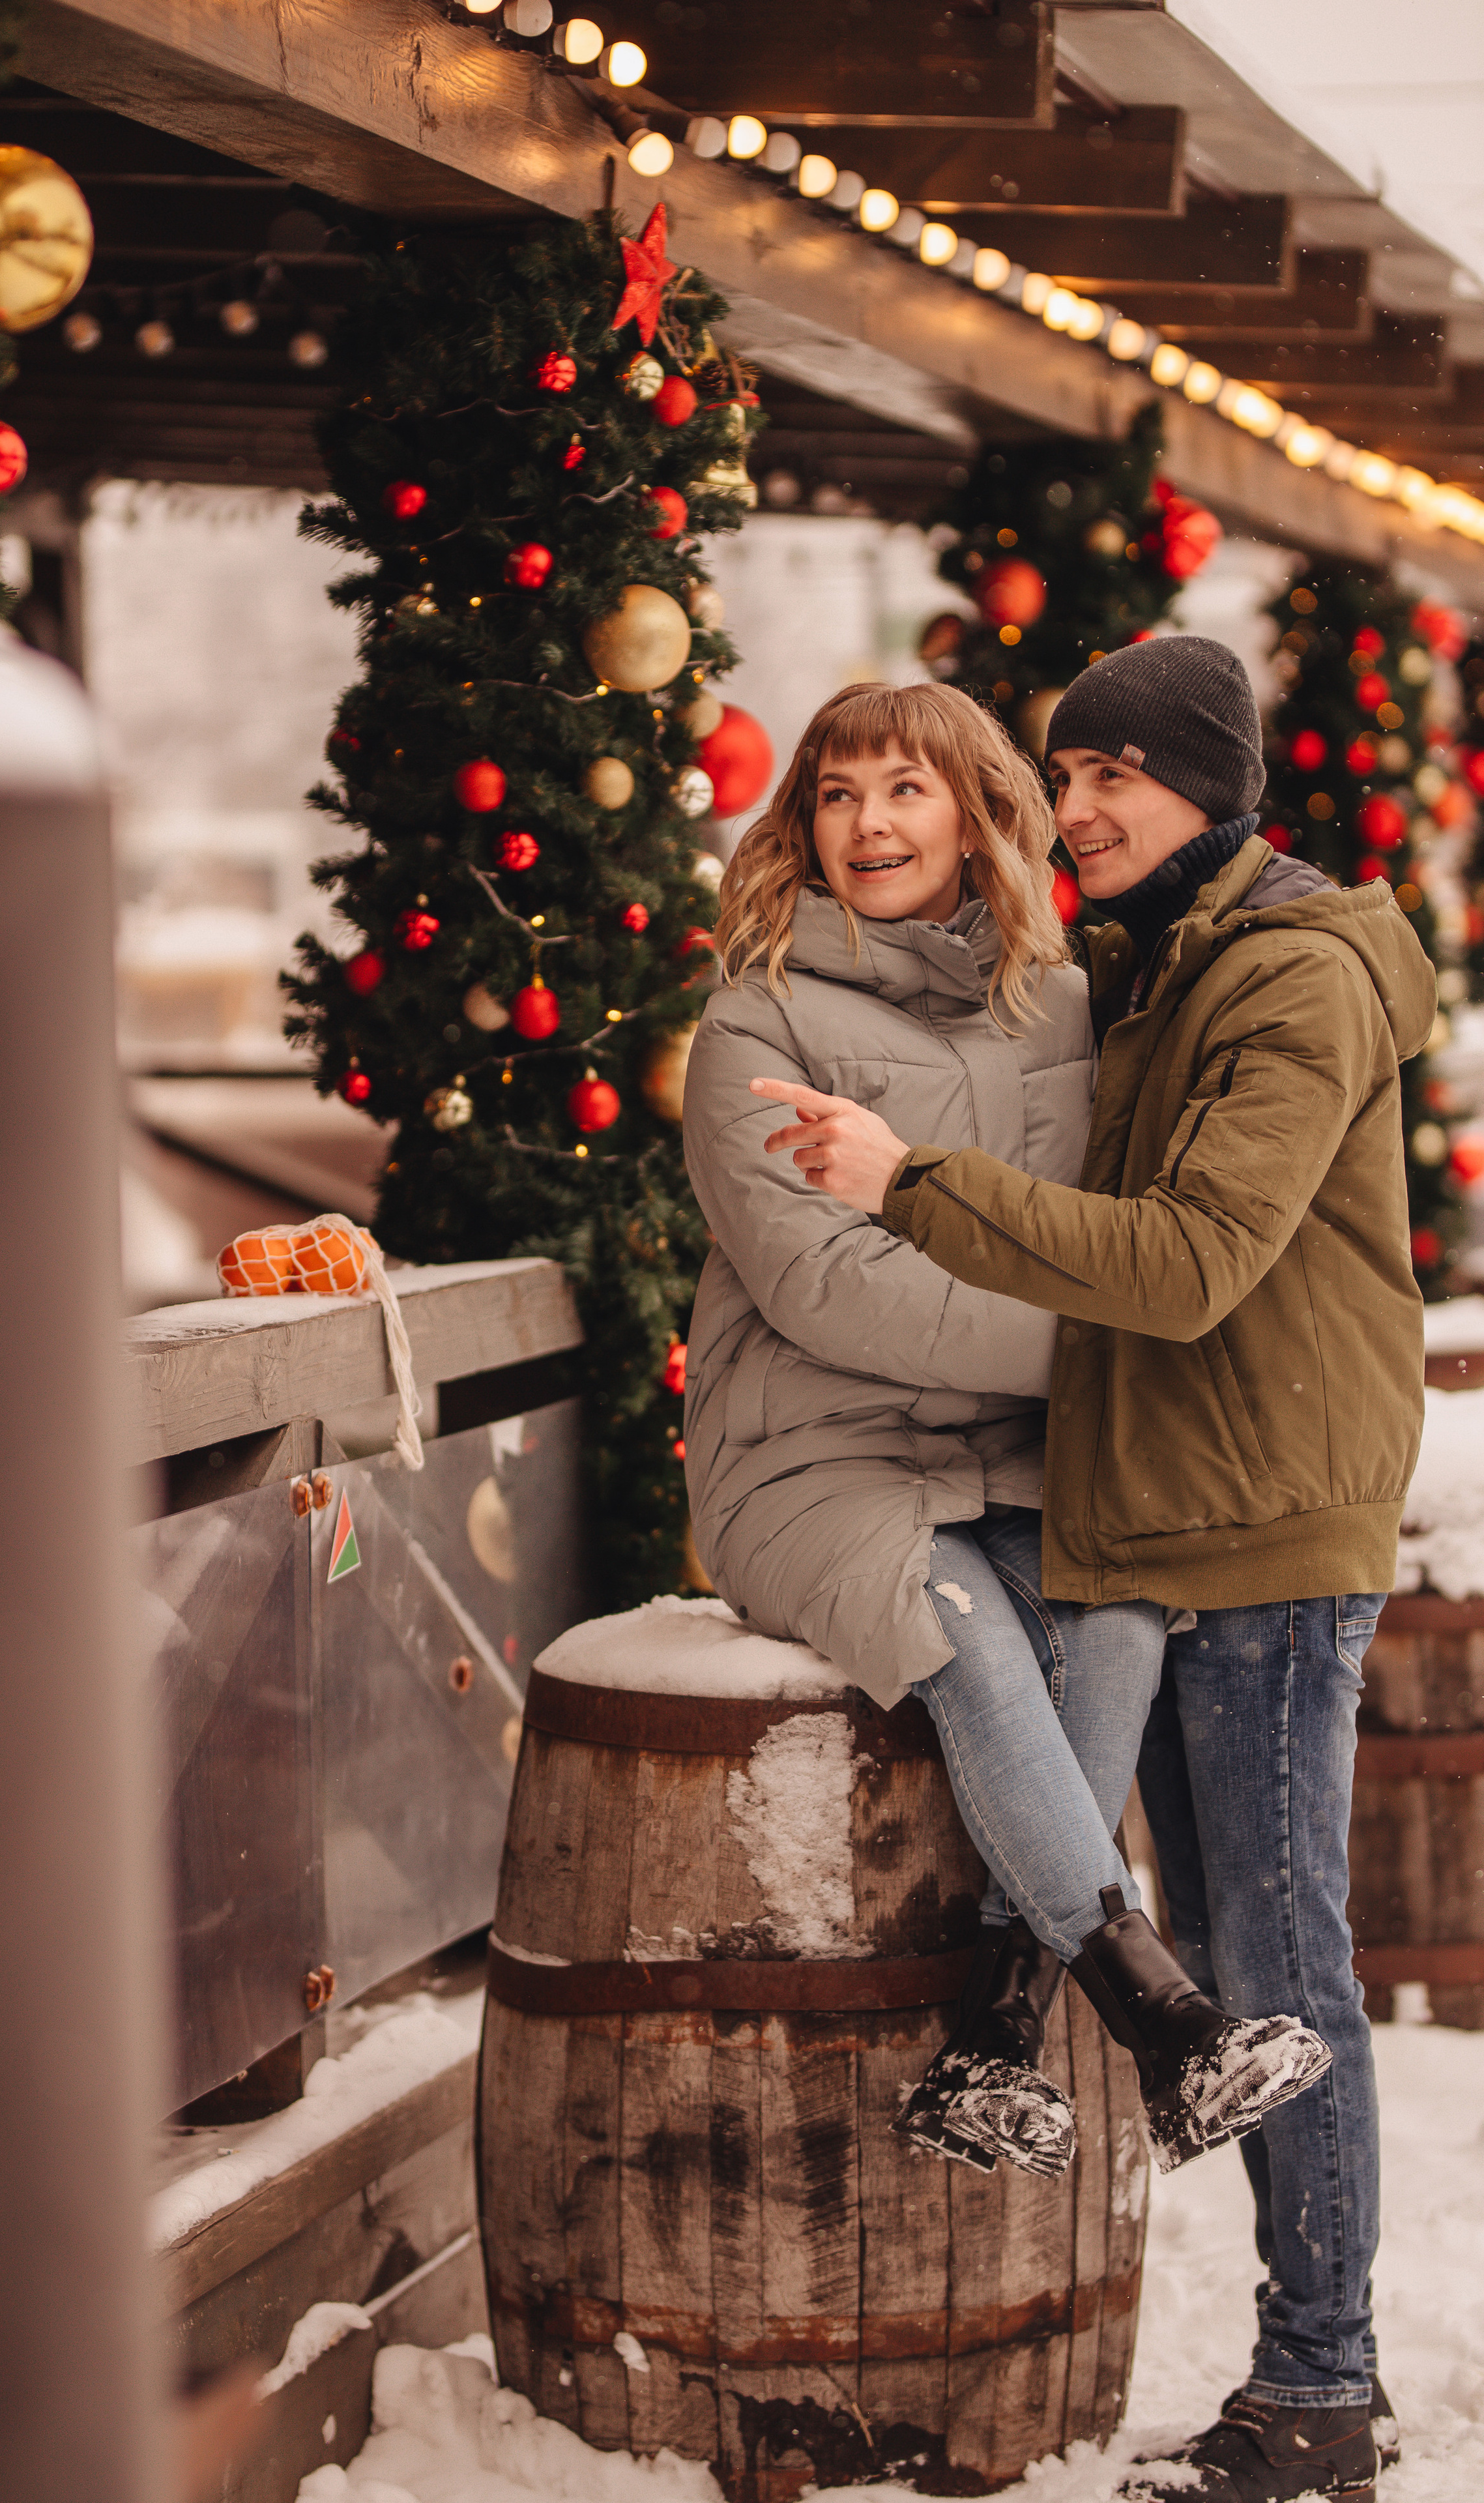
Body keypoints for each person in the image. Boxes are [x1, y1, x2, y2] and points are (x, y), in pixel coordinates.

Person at [753, 634, 1429, 2503]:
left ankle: (1318, 2389)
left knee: (1280, 1964)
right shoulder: (1159, 961)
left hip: (1267, 1523)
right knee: (1226, 1952)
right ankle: (1311, 2378)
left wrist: (907, 1186)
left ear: (1215, 784)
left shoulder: (1289, 977)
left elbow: (1193, 1262)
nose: (1083, 806)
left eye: (1122, 771)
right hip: (1175, 1504)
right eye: (1067, 771)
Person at [684, 676, 1330, 2189]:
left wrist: (1112, 1340)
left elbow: (1104, 1230)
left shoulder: (1063, 999)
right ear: (801, 824)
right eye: (836, 796)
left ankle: (990, 2041)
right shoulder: (758, 1013)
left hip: (1024, 1449)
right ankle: (1163, 2026)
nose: (867, 824)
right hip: (814, 1456)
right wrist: (1119, 1352)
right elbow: (829, 1287)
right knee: (966, 1633)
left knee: (1112, 1617)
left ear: (977, 815)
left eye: (904, 789)